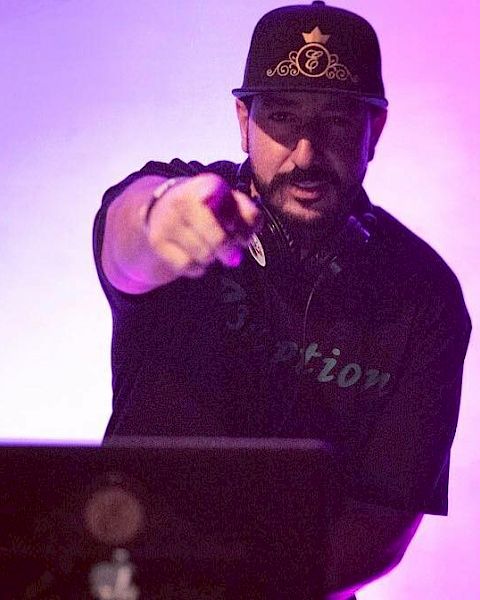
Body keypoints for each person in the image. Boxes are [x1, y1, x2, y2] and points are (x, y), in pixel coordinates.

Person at [93, 2, 471, 598]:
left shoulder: (425, 296)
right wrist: (162, 218)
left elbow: (385, 521)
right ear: (243, 120)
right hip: (129, 580)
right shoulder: (187, 200)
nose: (305, 153)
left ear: (377, 129)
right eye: (282, 118)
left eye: (337, 122)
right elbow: (126, 242)